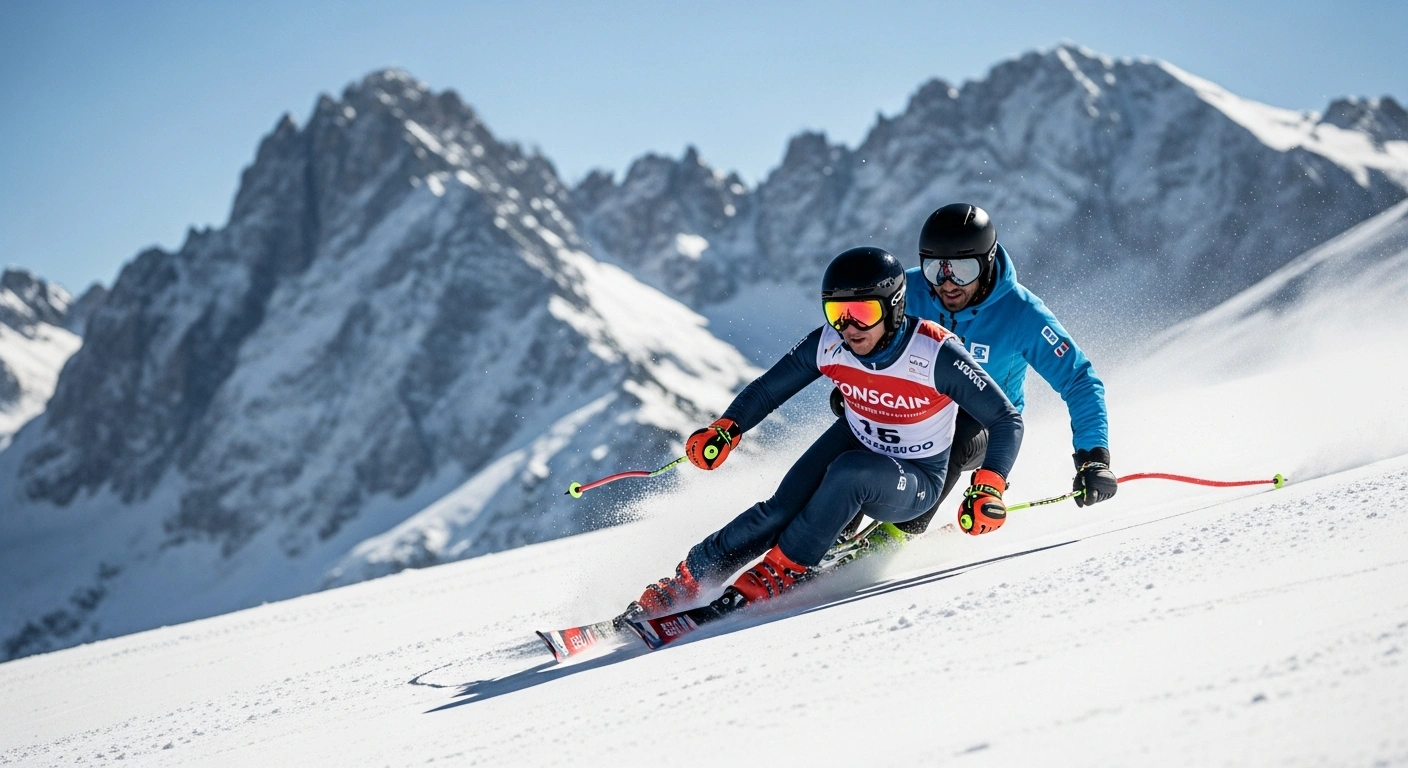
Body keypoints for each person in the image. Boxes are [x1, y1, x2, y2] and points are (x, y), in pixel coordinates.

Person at [628, 246, 1024, 619]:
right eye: (837, 313)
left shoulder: (934, 353)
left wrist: (989, 485)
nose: (848, 327)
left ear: (894, 308)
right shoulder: (830, 343)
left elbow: (1006, 419)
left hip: (917, 476)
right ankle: (688, 578)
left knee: (850, 472)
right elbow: (769, 389)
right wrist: (726, 429)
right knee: (779, 510)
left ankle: (783, 569)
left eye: (862, 312)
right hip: (857, 439)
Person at [854, 203, 1116, 537]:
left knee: (956, 434)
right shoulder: (908, 292)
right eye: (936, 268)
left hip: (986, 428)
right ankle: (834, 532)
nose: (947, 283)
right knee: (860, 429)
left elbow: (1079, 380)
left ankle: (893, 537)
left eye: (962, 270)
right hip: (913, 411)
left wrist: (1093, 458)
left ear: (987, 261)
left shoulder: (1021, 313)